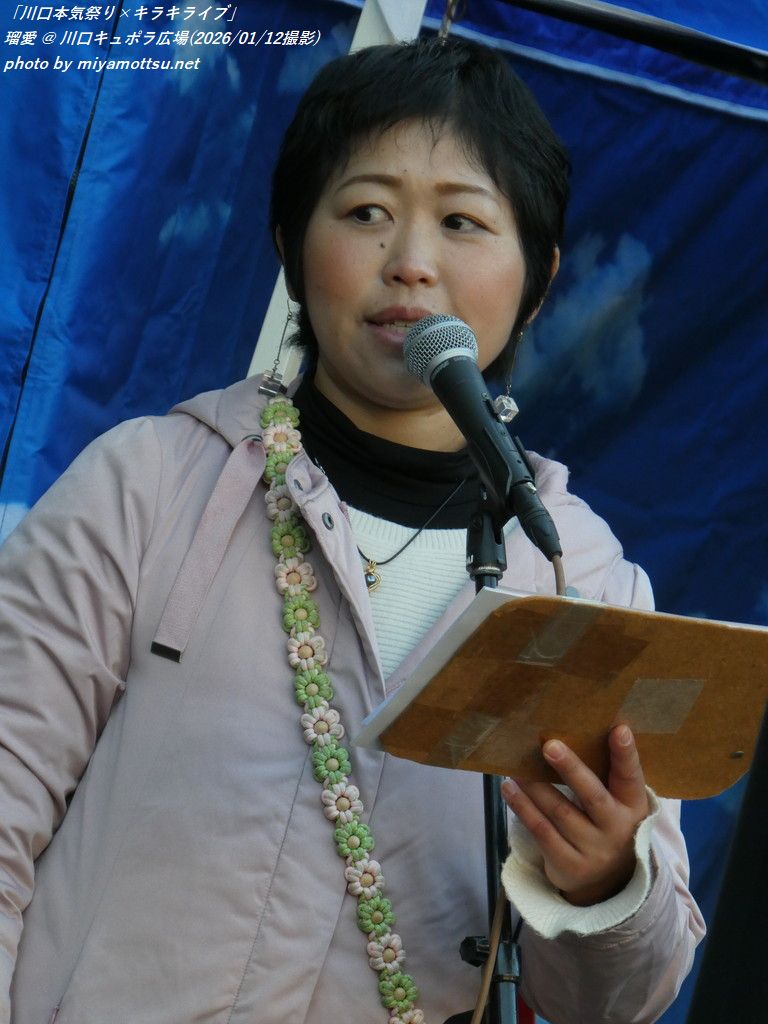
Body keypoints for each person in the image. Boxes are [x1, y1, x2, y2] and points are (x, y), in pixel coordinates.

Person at [0, 36, 704, 1024]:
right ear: (290, 243)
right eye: (367, 212)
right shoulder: (148, 485)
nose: (411, 263)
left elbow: (616, 1000)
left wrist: (603, 885)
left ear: (539, 279)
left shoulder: (582, 579)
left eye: (462, 221)